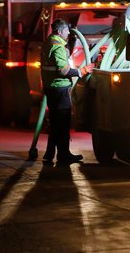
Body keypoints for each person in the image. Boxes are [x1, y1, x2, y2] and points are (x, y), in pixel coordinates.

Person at [41, 18, 93, 166]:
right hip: (59, 88)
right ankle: (63, 155)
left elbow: (64, 56)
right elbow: (63, 69)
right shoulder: (57, 47)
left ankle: (50, 154)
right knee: (63, 124)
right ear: (59, 31)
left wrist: (71, 40)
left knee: (56, 123)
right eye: (66, 31)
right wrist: (81, 71)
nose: (68, 32)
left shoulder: (50, 43)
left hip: (51, 88)